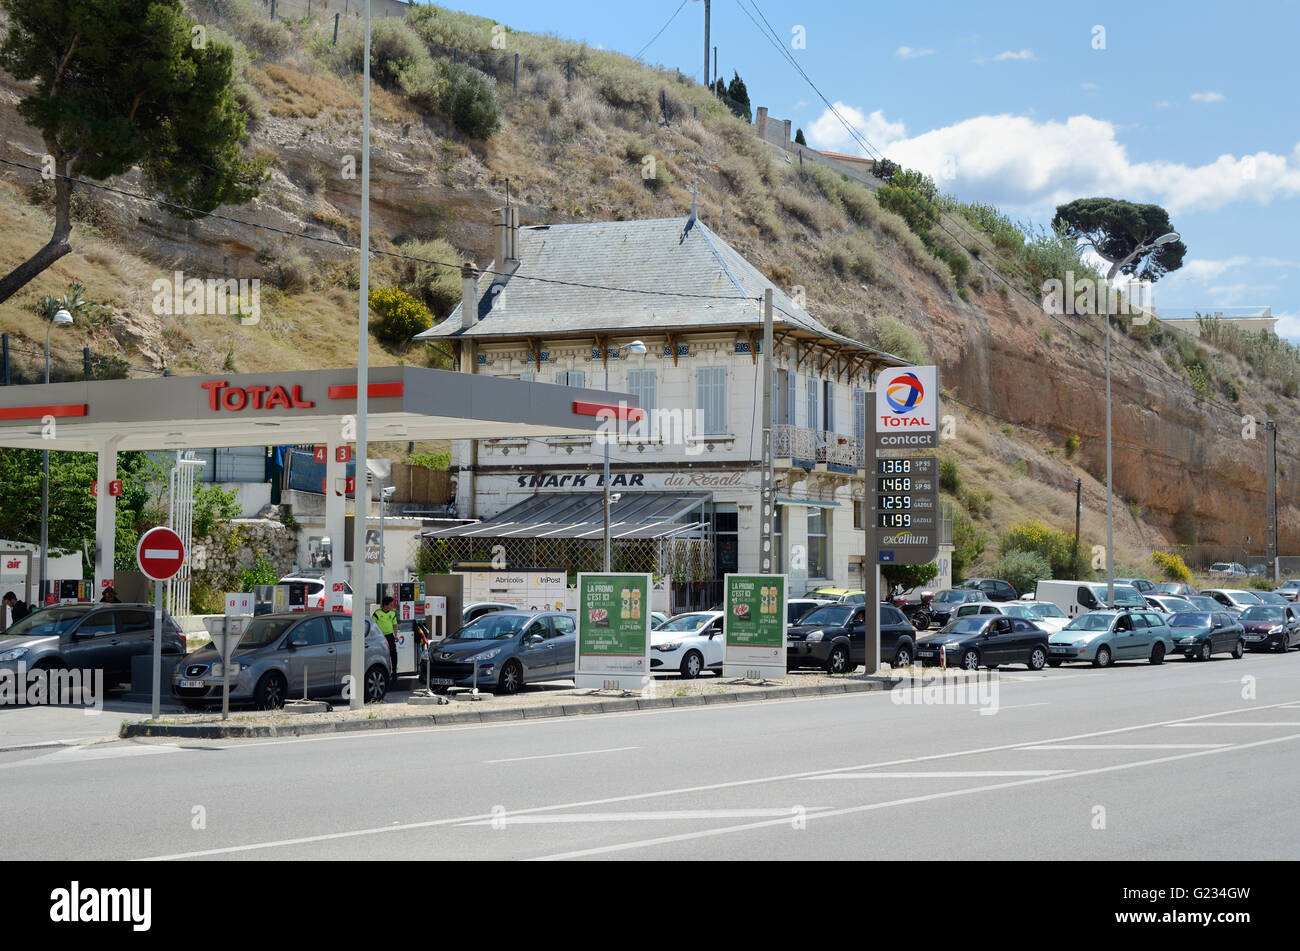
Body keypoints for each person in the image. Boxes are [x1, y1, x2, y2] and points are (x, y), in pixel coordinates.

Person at [372, 596, 398, 675]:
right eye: (390, 605)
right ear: (385, 605)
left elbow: (395, 625)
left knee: (393, 653)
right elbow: (373, 625)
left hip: (390, 636)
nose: (392, 607)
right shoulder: (377, 613)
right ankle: (382, 671)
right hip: (380, 637)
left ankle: (394, 671)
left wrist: (395, 635)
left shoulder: (392, 613)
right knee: (380, 654)